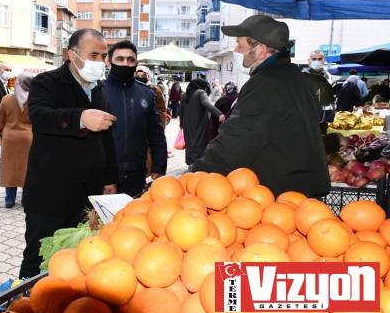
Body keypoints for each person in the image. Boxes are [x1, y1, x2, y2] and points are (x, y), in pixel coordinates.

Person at [192, 15, 330, 198]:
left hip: (283, 198)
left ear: (261, 51)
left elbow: (236, 139)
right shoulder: (296, 77)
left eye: (240, 45)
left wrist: (195, 179)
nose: (236, 50)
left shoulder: (266, 83)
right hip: (302, 190)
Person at [19, 29, 119, 278]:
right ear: (71, 55)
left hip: (89, 196)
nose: (100, 62)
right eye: (93, 55)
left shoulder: (100, 90)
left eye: (103, 56)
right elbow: (40, 116)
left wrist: (110, 178)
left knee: (80, 260)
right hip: (50, 195)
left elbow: (107, 139)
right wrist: (80, 118)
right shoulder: (47, 82)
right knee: (39, 259)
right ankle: (19, 310)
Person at [104, 40, 167, 197]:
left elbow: (156, 133)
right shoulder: (97, 92)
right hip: (104, 176)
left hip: (136, 174)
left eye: (130, 60)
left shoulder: (147, 93)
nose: (125, 64)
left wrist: (159, 166)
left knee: (134, 219)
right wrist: (106, 176)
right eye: (120, 59)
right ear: (109, 62)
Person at [0, 73, 34, 208]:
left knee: (10, 169)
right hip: (29, 138)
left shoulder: (6, 99)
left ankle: (9, 200)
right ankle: (26, 200)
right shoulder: (35, 99)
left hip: (10, 138)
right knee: (27, 169)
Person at [178, 79, 225, 166]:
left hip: (187, 123)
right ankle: (198, 162)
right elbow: (206, 104)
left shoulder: (185, 94)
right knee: (200, 140)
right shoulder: (200, 92)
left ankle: (191, 162)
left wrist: (181, 123)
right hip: (199, 122)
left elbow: (181, 110)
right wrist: (219, 114)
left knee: (190, 142)